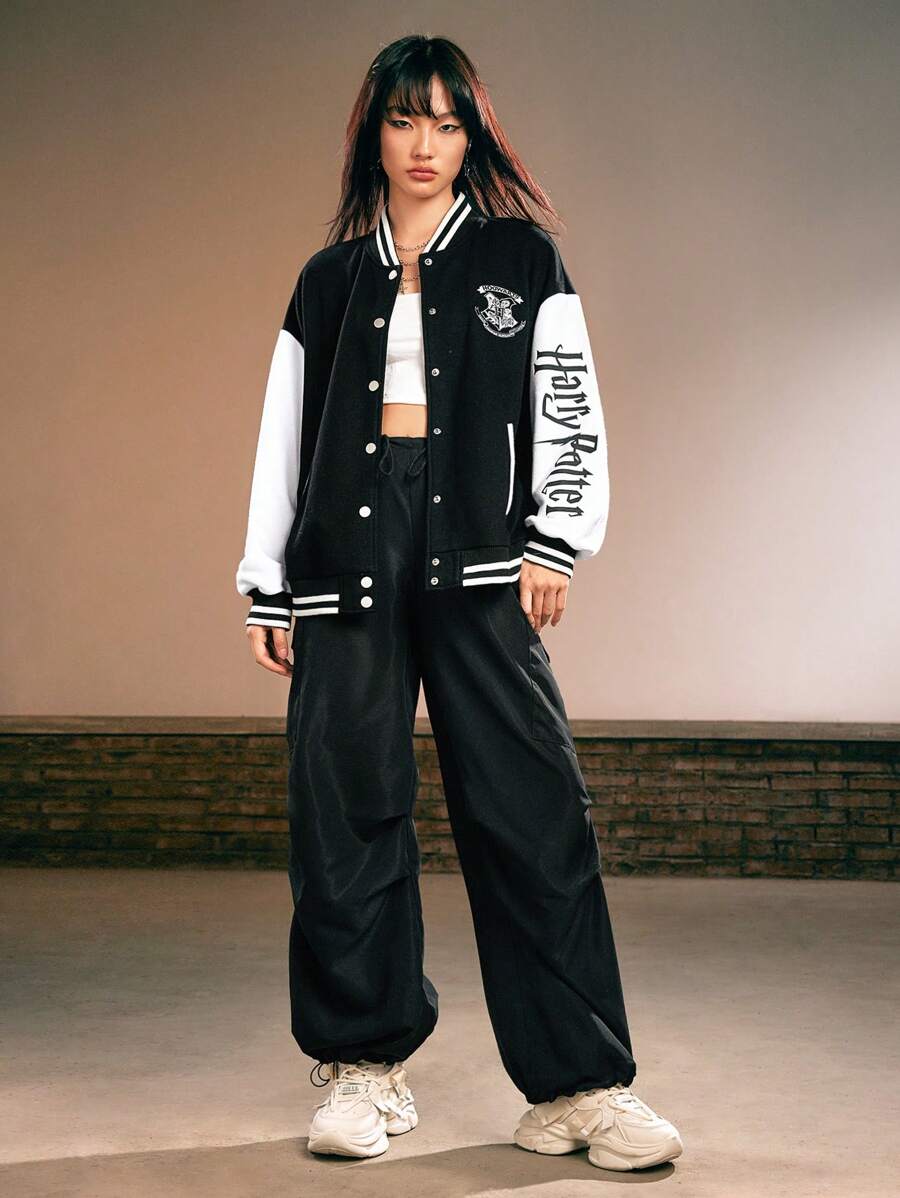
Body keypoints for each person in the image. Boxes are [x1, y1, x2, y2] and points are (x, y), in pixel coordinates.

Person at [235, 34, 683, 1173]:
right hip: (344, 563)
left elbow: (567, 398)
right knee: (347, 817)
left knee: (533, 810)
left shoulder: (521, 259)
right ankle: (363, 1067)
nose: (424, 144)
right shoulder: (327, 279)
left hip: (482, 555)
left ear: (472, 134)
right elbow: (284, 437)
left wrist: (555, 535)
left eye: (445, 122)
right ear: (373, 136)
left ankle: (579, 1088)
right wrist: (267, 581)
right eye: (403, 121)